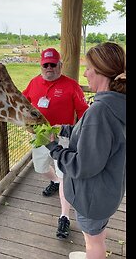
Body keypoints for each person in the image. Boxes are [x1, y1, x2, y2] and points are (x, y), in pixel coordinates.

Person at [45, 42, 126, 259]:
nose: (85, 73)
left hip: (93, 197)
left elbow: (83, 165)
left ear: (101, 71)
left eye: (89, 68)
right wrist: (63, 129)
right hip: (106, 192)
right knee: (97, 233)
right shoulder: (117, 104)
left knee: (93, 241)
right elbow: (93, 137)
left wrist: (53, 148)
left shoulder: (100, 111)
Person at [22, 47, 89, 239]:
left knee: (64, 175)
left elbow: (84, 111)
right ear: (41, 65)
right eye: (46, 65)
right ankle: (55, 181)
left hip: (64, 137)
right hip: (41, 137)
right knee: (40, 168)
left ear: (60, 65)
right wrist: (26, 122)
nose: (49, 68)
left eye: (53, 64)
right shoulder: (34, 82)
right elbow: (23, 103)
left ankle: (64, 217)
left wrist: (80, 132)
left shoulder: (72, 85)